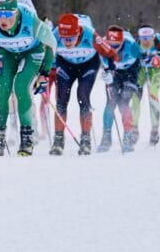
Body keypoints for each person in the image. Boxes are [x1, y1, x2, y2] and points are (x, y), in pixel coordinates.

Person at [0, 0, 56, 156]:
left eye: (8, 14)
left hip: (32, 51)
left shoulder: (31, 21)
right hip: (8, 53)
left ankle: (27, 138)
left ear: (16, 11)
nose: (3, 19)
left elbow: (51, 44)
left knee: (20, 86)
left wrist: (45, 73)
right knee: (3, 90)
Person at [50, 13, 117, 155]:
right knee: (61, 99)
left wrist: (110, 71)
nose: (67, 42)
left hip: (88, 65)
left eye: (71, 39)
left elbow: (110, 54)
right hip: (66, 65)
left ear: (78, 32)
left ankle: (85, 141)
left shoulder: (89, 34)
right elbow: (45, 53)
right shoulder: (55, 34)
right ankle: (58, 141)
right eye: (64, 39)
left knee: (83, 95)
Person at [131, 24, 160, 146]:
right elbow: (128, 59)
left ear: (153, 36)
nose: (146, 41)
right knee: (135, 98)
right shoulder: (135, 46)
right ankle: (134, 129)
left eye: (148, 38)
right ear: (139, 37)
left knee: (153, 93)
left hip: (157, 71)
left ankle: (155, 129)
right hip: (141, 71)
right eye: (143, 38)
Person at [98, 26, 142, 153]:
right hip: (115, 72)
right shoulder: (103, 47)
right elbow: (107, 67)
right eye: (111, 45)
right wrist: (107, 76)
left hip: (131, 71)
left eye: (117, 45)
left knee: (124, 102)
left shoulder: (132, 46)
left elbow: (143, 57)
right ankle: (106, 137)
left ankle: (128, 135)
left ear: (122, 42)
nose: (114, 48)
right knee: (110, 103)